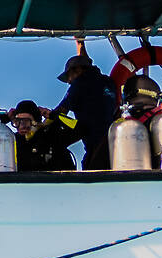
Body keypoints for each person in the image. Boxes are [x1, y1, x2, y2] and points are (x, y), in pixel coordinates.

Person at [47, 39, 118, 170]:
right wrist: (80, 43)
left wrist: (48, 114)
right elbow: (86, 62)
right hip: (116, 142)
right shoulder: (108, 81)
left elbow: (61, 111)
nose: (68, 81)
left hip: (96, 145)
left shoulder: (80, 83)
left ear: (78, 70)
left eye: (68, 76)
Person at [11, 100, 77, 172]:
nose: (21, 126)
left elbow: (82, 129)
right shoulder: (12, 140)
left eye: (26, 121)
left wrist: (54, 115)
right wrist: (2, 120)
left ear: (36, 122)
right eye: (17, 122)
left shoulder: (52, 135)